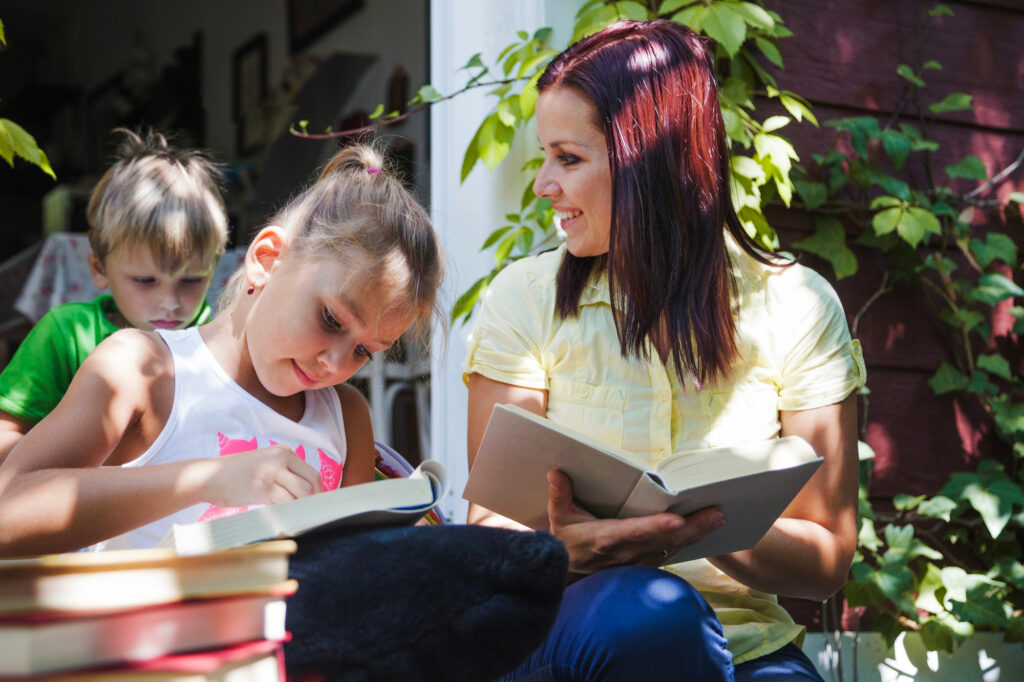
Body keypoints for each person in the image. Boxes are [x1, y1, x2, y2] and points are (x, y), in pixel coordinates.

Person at [0, 143, 570, 681]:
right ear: (267, 261)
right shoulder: (144, 370)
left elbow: (345, 577)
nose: (335, 362)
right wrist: (207, 480)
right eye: (331, 319)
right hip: (140, 656)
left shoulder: (345, 415)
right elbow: (9, 509)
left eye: (365, 351)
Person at [463, 20, 866, 682]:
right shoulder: (524, 298)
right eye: (547, 155)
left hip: (747, 648)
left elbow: (827, 561)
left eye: (568, 158)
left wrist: (701, 528)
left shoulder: (799, 307)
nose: (544, 185)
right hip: (566, 632)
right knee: (649, 612)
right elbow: (490, 533)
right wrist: (568, 550)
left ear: (650, 162)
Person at [0, 127, 229, 461]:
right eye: (145, 281)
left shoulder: (222, 339)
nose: (170, 302)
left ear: (215, 264)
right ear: (99, 269)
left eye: (191, 280)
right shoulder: (66, 335)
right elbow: (7, 432)